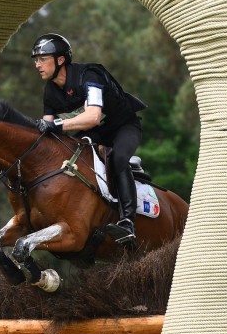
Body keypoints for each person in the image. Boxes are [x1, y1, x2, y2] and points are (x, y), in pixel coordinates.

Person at [31, 33, 147, 248]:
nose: (38, 65)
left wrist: (55, 125)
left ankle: (128, 223)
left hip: (123, 127)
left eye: (43, 59)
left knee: (118, 159)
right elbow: (45, 131)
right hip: (94, 134)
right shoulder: (50, 91)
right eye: (36, 60)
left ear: (61, 60)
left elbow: (93, 117)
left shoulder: (89, 75)